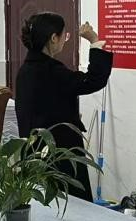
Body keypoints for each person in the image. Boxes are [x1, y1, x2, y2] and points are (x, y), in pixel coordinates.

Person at [14, 12, 113, 201]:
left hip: (34, 152)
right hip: (59, 155)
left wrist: (67, 113)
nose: (64, 41)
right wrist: (94, 41)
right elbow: (92, 80)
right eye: (64, 36)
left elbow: (43, 107)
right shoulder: (51, 70)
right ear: (53, 38)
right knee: (71, 205)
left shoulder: (25, 70)